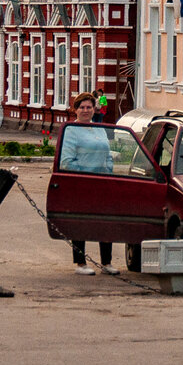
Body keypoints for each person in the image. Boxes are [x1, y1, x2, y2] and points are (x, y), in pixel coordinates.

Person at [63, 91, 119, 276]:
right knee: (82, 224)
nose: (86, 110)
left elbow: (107, 154)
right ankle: (80, 263)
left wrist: (108, 169)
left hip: (102, 183)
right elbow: (66, 161)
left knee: (105, 223)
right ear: (76, 110)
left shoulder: (99, 129)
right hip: (82, 184)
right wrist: (84, 175)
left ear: (95, 109)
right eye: (82, 107)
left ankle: (107, 262)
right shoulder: (71, 130)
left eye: (89, 107)